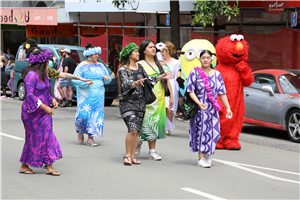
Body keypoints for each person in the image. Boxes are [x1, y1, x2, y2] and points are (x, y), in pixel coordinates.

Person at [118, 43, 171, 166]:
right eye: (136, 51)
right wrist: (136, 83)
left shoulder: (139, 67)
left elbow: (148, 80)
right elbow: (125, 85)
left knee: (137, 130)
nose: (138, 53)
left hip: (141, 102)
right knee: (132, 129)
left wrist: (159, 77)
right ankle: (127, 155)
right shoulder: (123, 69)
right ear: (129, 54)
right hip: (128, 103)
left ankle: (132, 156)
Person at [19, 48, 62, 176]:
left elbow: (45, 92)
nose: (49, 62)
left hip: (44, 112)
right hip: (31, 112)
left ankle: (49, 166)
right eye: (48, 60)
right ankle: (24, 165)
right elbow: (30, 96)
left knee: (48, 136)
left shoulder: (44, 75)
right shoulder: (31, 75)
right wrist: (44, 107)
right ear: (43, 62)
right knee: (33, 138)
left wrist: (52, 100)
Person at [187, 50, 232, 168]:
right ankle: (200, 158)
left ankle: (208, 154)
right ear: (200, 59)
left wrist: (228, 107)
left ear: (212, 59)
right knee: (200, 132)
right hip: (199, 109)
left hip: (212, 110)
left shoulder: (217, 74)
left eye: (208, 57)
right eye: (203, 57)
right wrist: (199, 103)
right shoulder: (194, 72)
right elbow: (190, 90)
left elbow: (222, 92)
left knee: (212, 132)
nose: (205, 60)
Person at [136, 40, 173, 161]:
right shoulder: (139, 64)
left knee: (155, 123)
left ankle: (152, 151)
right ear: (144, 50)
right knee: (144, 122)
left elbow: (167, 80)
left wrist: (171, 96)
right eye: (150, 47)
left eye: (154, 47)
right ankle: (139, 140)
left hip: (159, 98)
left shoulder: (160, 64)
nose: (153, 49)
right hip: (145, 98)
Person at [72, 43, 110, 147]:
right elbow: (75, 80)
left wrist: (107, 79)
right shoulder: (81, 66)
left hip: (98, 96)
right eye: (94, 54)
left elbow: (107, 78)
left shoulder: (101, 66)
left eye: (97, 54)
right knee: (83, 115)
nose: (97, 56)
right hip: (85, 96)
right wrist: (85, 83)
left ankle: (91, 138)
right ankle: (80, 130)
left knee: (95, 116)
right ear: (89, 55)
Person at [22, 39, 91, 87]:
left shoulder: (47, 70)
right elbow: (30, 95)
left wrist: (81, 78)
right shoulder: (28, 72)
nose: (48, 62)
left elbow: (63, 75)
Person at [160, 41, 181, 135]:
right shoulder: (158, 61)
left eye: (163, 51)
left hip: (172, 84)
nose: (161, 53)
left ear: (168, 51)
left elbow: (178, 73)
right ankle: (164, 126)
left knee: (170, 109)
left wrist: (177, 77)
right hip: (161, 84)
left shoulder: (176, 62)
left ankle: (169, 125)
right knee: (163, 106)